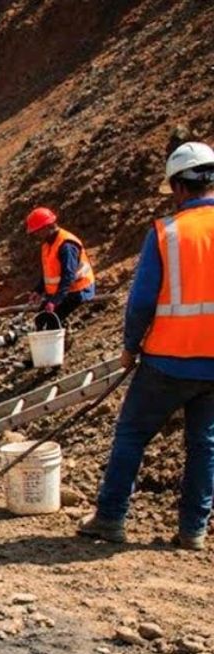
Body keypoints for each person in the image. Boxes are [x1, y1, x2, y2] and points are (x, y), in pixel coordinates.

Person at [79, 141, 214, 551]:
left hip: (168, 359)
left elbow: (140, 303)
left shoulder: (166, 234)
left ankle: (111, 517)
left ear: (177, 187)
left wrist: (130, 346)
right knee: (205, 444)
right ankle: (193, 530)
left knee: (132, 434)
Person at [25, 206, 96, 327]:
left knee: (52, 322)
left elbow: (68, 276)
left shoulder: (66, 245)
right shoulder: (47, 245)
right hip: (61, 291)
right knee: (40, 320)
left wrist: (55, 301)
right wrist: (38, 290)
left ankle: (59, 343)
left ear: (47, 227)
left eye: (38, 231)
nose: (36, 235)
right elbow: (49, 272)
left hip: (77, 290)